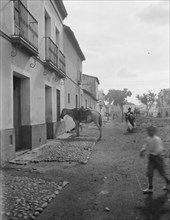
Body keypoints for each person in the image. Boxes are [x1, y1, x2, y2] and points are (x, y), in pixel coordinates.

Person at [140, 125, 170, 194]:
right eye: (149, 130)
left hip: (158, 158)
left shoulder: (157, 139)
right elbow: (145, 145)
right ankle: (150, 188)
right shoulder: (148, 138)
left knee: (162, 173)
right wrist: (142, 150)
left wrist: (158, 156)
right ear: (147, 131)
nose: (150, 132)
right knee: (149, 173)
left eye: (152, 130)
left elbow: (160, 150)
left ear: (155, 131)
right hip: (151, 158)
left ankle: (168, 182)